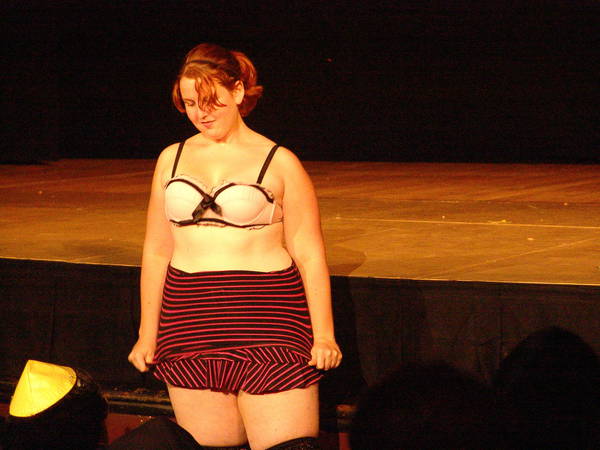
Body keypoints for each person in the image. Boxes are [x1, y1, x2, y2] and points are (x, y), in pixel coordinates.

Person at [127, 43, 342, 450]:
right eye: (190, 104)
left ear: (239, 92)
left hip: (268, 316)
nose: (201, 114)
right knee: (212, 443)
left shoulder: (280, 161)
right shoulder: (170, 159)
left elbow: (309, 254)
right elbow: (156, 251)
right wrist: (147, 333)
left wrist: (324, 335)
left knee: (285, 445)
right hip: (189, 318)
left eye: (211, 102)